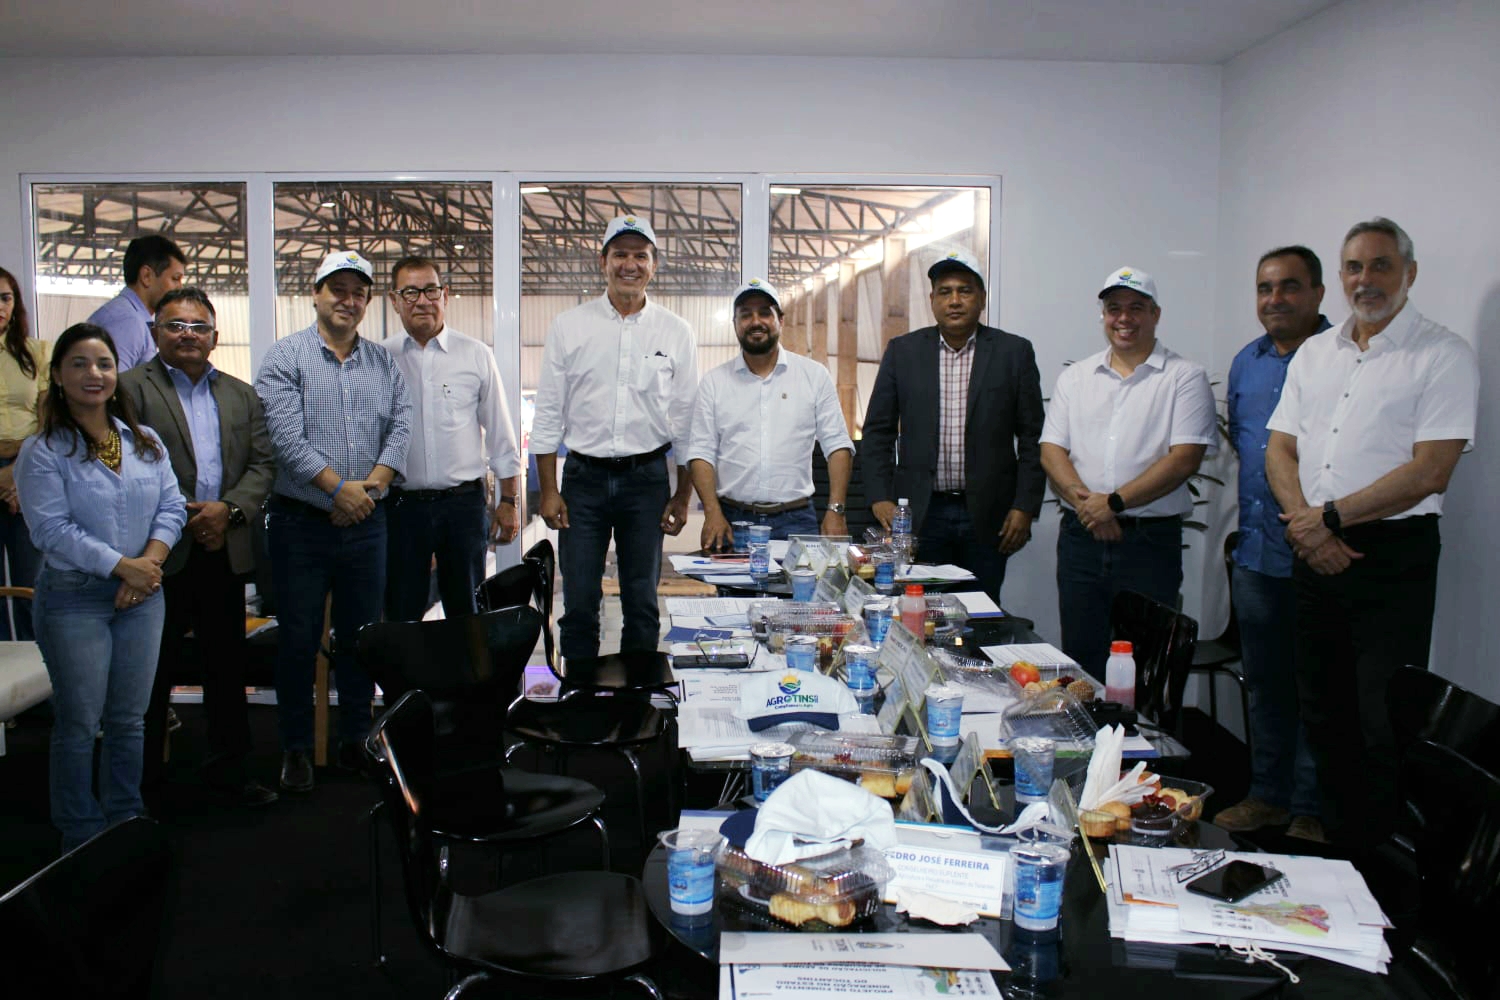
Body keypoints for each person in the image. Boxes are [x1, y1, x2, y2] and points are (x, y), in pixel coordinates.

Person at [1266, 218, 1478, 850]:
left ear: (1409, 273)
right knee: (1323, 711)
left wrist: (1328, 519)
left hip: (1391, 556)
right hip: (1313, 547)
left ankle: (1381, 866)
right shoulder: (1316, 353)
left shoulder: (1443, 355)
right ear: (1341, 277)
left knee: (1382, 720)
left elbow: (1430, 470)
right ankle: (1338, 852)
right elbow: (1280, 448)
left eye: (1381, 265)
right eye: (1355, 267)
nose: (1366, 280)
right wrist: (1309, 526)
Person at [16, 323, 186, 851]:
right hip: (74, 599)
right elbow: (52, 530)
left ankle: (124, 817)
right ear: (57, 377)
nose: (94, 374)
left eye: (104, 364)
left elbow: (172, 507)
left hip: (143, 598)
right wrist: (123, 568)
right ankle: (80, 833)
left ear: (117, 374)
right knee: (79, 723)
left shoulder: (144, 441)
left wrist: (147, 566)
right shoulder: (42, 450)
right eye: (79, 364)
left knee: (129, 720)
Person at [254, 250, 410, 793]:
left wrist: (370, 488)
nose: (348, 301)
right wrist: (338, 490)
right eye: (338, 290)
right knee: (298, 639)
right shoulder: (285, 358)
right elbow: (284, 438)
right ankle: (296, 747)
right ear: (316, 293)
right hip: (301, 524)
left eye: (358, 293)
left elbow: (401, 426)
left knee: (361, 639)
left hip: (368, 520)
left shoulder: (382, 363)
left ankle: (356, 741)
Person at [122, 287, 278, 809]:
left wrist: (227, 511)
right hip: (157, 555)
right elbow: (122, 468)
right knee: (150, 672)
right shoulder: (128, 390)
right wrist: (186, 518)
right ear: (155, 333)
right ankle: (142, 785)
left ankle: (231, 772)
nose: (187, 334)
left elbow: (262, 465)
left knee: (226, 669)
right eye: (175, 325)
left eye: (198, 326)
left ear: (215, 336)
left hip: (222, 549)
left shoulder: (241, 394)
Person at [530, 215, 699, 661]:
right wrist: (548, 490)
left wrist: (682, 497)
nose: (630, 264)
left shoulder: (676, 332)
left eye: (640, 256)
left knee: (641, 603)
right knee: (579, 603)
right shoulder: (570, 326)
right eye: (620, 254)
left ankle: (635, 696)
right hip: (582, 481)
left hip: (646, 481)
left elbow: (686, 422)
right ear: (602, 261)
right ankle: (581, 696)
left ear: (653, 265)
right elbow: (548, 413)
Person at [1039, 267, 1215, 679]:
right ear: (1103, 316)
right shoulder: (1076, 378)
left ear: (1156, 314)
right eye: (1114, 308)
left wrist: (1114, 503)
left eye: (1136, 307)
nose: (1124, 318)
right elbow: (1051, 450)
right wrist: (1091, 507)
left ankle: (1140, 726)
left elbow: (1184, 459)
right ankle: (1090, 725)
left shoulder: (1185, 377)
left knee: (1147, 667)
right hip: (1081, 541)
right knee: (1082, 661)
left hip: (1148, 545)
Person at [1213, 246, 1330, 842]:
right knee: (1265, 685)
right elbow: (1246, 445)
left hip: (1321, 555)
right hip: (1258, 555)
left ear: (1318, 293)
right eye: (1265, 288)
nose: (1275, 299)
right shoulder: (1247, 363)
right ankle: (1267, 796)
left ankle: (1312, 807)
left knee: (1318, 687)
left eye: (1289, 286)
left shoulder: (1340, 358)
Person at [862, 248, 1044, 600]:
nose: (955, 300)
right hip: (920, 514)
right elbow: (878, 432)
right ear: (932, 300)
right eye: (945, 292)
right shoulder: (904, 352)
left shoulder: (1013, 353)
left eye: (965, 291)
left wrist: (1024, 506)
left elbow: (1033, 437)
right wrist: (880, 497)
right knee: (918, 608)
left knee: (982, 608)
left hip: (989, 516)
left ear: (982, 299)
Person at [379, 256, 521, 622]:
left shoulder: (475, 354)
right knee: (402, 613)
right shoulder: (381, 359)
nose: (422, 301)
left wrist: (509, 501)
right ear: (394, 300)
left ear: (445, 294)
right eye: (410, 292)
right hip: (401, 508)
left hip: (462, 507)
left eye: (430, 291)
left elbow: (501, 433)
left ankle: (466, 664)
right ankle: (409, 665)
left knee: (466, 613)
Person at [689, 279, 853, 548]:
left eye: (765, 313)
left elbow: (837, 445)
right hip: (732, 521)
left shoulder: (813, 376)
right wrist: (712, 512)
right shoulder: (714, 382)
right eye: (746, 314)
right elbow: (700, 452)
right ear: (735, 323)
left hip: (797, 520)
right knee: (729, 580)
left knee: (802, 580)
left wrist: (836, 510)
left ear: (780, 320)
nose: (756, 321)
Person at [0, 264, 48, 639]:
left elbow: (48, 422)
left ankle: (39, 668)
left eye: (5, 298)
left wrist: (16, 471)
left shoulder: (36, 352)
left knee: (31, 585)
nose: (0, 307)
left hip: (27, 468)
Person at [87, 235, 188, 372]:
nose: (180, 288)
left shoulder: (131, 317)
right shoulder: (127, 321)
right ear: (146, 276)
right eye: (175, 278)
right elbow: (113, 382)